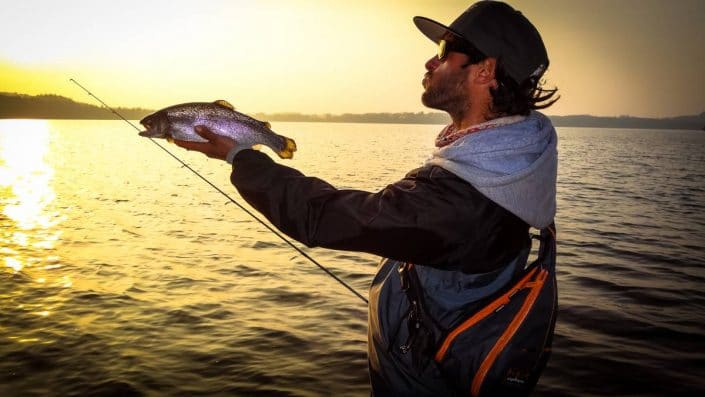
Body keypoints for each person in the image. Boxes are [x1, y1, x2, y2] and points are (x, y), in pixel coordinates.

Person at [175, 1, 559, 396]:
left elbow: (323, 217)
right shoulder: (503, 165)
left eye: (445, 50)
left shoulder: (466, 201)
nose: (430, 61)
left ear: (485, 70)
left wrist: (239, 156)